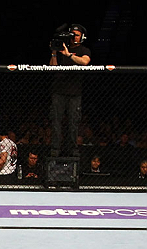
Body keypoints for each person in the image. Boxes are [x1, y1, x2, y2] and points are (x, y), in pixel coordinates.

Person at [49, 24, 91, 157]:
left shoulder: (84, 50)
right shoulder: (62, 49)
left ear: (82, 37)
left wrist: (69, 55)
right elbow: (52, 67)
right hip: (59, 90)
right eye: (71, 35)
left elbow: (85, 62)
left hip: (74, 92)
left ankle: (72, 150)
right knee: (56, 121)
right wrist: (54, 52)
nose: (73, 38)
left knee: (73, 122)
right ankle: (55, 149)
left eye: (76, 35)